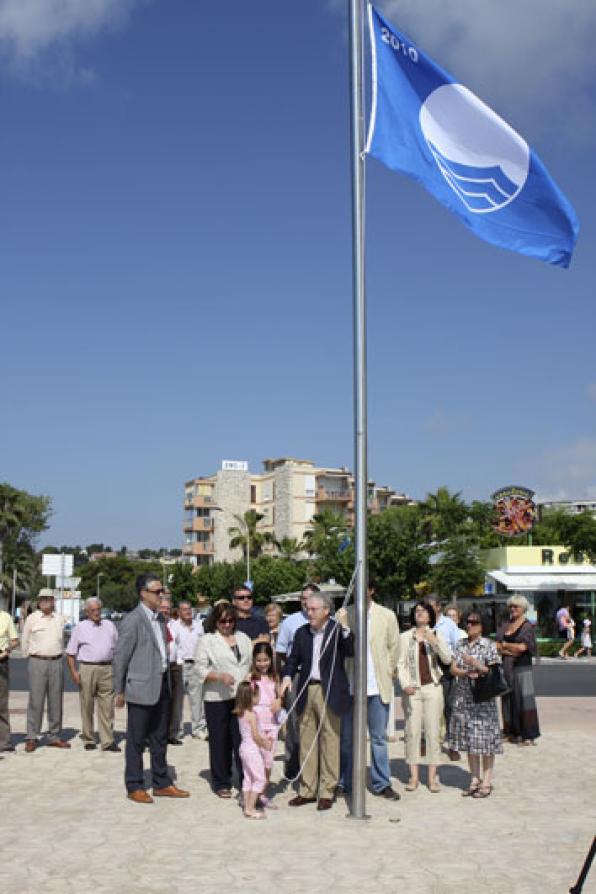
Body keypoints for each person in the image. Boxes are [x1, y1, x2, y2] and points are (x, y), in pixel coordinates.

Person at [112, 574, 190, 803]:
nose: (162, 595)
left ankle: (162, 782)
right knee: (136, 740)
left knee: (159, 738)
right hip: (140, 688)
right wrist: (119, 690)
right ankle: (134, 784)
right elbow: (120, 657)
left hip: (162, 685)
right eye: (157, 592)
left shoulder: (161, 619)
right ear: (143, 593)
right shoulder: (133, 620)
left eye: (162, 591)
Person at [280, 590, 354, 811]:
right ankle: (307, 789)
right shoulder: (302, 632)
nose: (308, 612)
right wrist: (285, 676)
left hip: (329, 690)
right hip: (306, 689)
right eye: (307, 608)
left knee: (330, 741)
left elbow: (351, 650)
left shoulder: (336, 630)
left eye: (313, 609)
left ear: (326, 610)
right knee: (306, 741)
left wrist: (345, 627)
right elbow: (292, 659)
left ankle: (327, 790)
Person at [337, 581, 401, 800]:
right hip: (351, 686)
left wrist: (389, 671)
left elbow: (395, 647)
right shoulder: (345, 614)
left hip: (377, 686)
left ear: (372, 590)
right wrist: (344, 624)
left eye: (363, 588)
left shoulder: (387, 615)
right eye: (355, 588)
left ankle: (381, 782)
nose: (359, 592)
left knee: (378, 738)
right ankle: (345, 781)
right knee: (347, 738)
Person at [195, 601, 252, 798]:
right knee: (220, 741)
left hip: (241, 698)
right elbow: (199, 669)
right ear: (215, 621)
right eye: (222, 621)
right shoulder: (207, 641)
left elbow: (250, 664)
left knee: (243, 740)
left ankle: (247, 778)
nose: (227, 624)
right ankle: (221, 781)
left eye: (230, 620)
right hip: (217, 698)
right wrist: (219, 676)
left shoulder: (243, 638)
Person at [447, 612, 503, 798]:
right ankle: (474, 778)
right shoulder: (460, 644)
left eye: (474, 622)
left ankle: (486, 781)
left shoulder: (488, 645)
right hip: (464, 697)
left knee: (486, 740)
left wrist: (476, 664)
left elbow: (494, 670)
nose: (470, 625)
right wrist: (464, 672)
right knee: (470, 740)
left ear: (482, 625)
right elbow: (453, 667)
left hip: (483, 698)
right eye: (467, 622)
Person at [397, 601, 451, 792]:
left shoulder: (436, 634)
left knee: (433, 731)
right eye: (417, 611)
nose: (419, 614)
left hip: (433, 687)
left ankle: (432, 776)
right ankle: (413, 776)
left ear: (430, 615)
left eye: (423, 611)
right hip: (413, 689)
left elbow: (447, 658)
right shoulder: (404, 637)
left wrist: (434, 642)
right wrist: (405, 685)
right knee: (412, 731)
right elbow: (400, 664)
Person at [65, 597, 120, 752]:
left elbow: (118, 647)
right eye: (93, 610)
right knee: (87, 705)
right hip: (87, 668)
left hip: (107, 668)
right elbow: (70, 653)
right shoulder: (80, 627)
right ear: (87, 612)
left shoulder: (109, 625)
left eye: (98, 609)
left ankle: (107, 741)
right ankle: (89, 738)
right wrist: (74, 672)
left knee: (107, 707)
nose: (96, 613)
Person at [21, 591, 70, 752]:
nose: (45, 602)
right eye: (42, 599)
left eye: (48, 599)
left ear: (53, 601)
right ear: (38, 601)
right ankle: (31, 737)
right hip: (38, 662)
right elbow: (25, 640)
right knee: (36, 701)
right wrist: (29, 656)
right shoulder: (32, 618)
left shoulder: (60, 618)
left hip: (56, 661)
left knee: (56, 701)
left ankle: (54, 736)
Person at [276, 583, 315, 779]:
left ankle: (313, 767)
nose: (305, 602)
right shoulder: (290, 622)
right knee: (293, 721)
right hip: (296, 676)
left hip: (318, 678)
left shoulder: (328, 620)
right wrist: (291, 670)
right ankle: (292, 766)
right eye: (303, 598)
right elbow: (281, 651)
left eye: (309, 597)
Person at [496, 594, 540, 746]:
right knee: (507, 700)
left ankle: (528, 734)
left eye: (516, 606)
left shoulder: (527, 626)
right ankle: (511, 732)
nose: (513, 609)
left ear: (523, 609)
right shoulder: (505, 624)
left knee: (524, 700)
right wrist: (508, 648)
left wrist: (505, 646)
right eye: (511, 606)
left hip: (522, 668)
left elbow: (523, 648)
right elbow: (496, 645)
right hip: (506, 667)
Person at [234, 681, 273, 819]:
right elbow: (256, 737)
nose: (259, 698)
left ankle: (246, 804)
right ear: (251, 697)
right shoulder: (252, 715)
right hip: (251, 750)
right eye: (258, 696)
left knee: (248, 778)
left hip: (243, 748)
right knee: (260, 779)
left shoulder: (241, 713)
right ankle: (250, 809)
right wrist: (266, 744)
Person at [251, 642, 283, 808]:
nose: (263, 663)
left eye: (266, 660)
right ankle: (251, 794)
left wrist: (279, 701)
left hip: (272, 725)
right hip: (257, 725)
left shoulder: (274, 677)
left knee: (268, 761)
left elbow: (279, 696)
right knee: (255, 761)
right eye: (259, 660)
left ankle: (262, 793)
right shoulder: (250, 678)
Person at [428, 596, 457, 758]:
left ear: (439, 607)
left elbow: (457, 644)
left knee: (449, 707)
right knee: (428, 707)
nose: (428, 609)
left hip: (446, 666)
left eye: (431, 606)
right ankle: (426, 742)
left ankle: (452, 744)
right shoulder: (424, 623)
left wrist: (454, 664)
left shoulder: (449, 624)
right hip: (428, 665)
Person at [175, 600, 207, 740]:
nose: (188, 611)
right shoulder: (174, 626)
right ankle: (177, 729)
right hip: (180, 665)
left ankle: (198, 728)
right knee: (177, 700)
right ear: (179, 612)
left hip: (196, 665)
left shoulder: (199, 626)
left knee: (197, 699)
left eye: (189, 609)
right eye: (184, 609)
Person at [158, 592, 184, 746]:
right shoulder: (154, 623)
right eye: (162, 607)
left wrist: (179, 662)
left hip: (174, 666)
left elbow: (179, 645)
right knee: (158, 703)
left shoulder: (175, 625)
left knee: (175, 702)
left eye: (167, 608)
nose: (165, 610)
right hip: (159, 666)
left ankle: (171, 734)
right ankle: (155, 735)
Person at [0, 608, 19, 753]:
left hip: (2, 662)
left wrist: (8, 649)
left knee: (2, 704)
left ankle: (4, 742)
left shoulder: (6, 617)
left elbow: (15, 641)